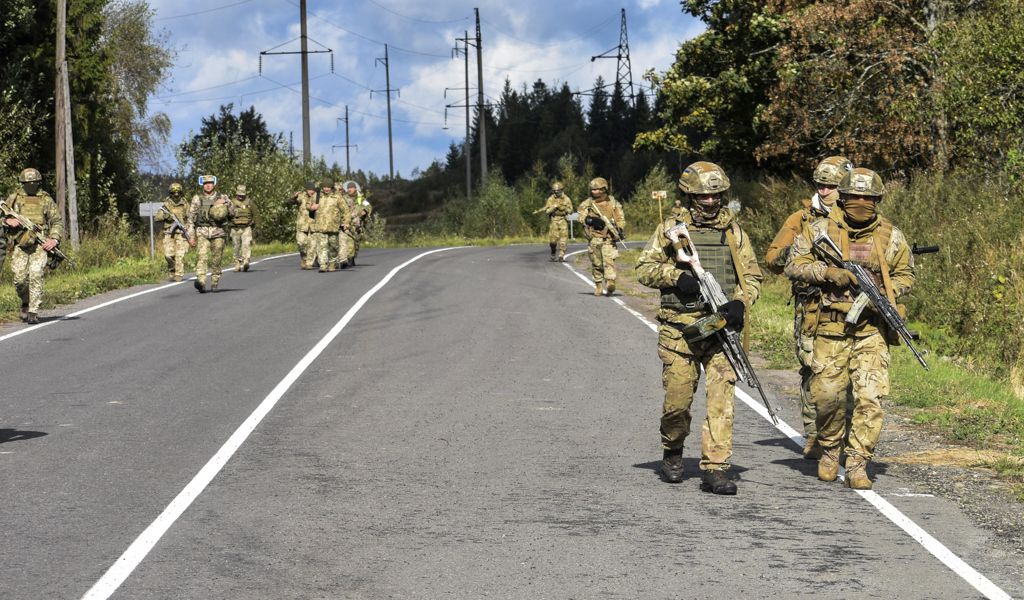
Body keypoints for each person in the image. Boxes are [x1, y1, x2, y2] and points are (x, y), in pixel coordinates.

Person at [636, 161, 763, 494]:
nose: (710, 202)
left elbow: (751, 276)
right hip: (681, 331)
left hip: (720, 330)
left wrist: (741, 301)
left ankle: (716, 468)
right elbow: (644, 267)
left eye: (716, 196)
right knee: (677, 403)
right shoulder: (670, 229)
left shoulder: (734, 233)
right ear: (689, 195)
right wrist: (675, 277)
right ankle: (673, 451)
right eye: (703, 196)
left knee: (722, 401)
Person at [785, 168, 914, 490]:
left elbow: (906, 274)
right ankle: (830, 449)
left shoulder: (891, 236)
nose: (861, 203)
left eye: (868, 198)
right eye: (854, 197)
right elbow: (793, 265)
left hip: (871, 330)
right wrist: (828, 273)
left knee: (871, 398)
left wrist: (884, 293)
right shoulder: (817, 231)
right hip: (830, 327)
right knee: (827, 396)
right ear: (841, 198)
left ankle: (858, 461)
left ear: (877, 200)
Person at [763, 156, 853, 458]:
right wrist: (804, 253)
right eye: (821, 185)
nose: (825, 191)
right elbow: (772, 258)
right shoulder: (801, 219)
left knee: (850, 371)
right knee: (813, 370)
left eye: (832, 186)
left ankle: (846, 435)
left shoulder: (858, 216)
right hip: (812, 307)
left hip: (850, 306)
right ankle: (815, 434)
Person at [2, 168, 63, 324]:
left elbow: (57, 221)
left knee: (36, 275)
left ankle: (33, 312)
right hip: (19, 244)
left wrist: (54, 240)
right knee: (19, 280)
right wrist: (8, 221)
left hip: (40, 245)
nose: (31, 186)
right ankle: (26, 302)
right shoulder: (14, 198)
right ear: (22, 183)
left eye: (34, 183)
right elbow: (2, 216)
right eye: (28, 183)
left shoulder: (46, 199)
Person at [576, 177, 625, 296]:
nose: (594, 192)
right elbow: (580, 216)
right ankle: (598, 285)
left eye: (596, 190)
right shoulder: (588, 203)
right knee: (596, 264)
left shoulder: (613, 203)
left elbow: (620, 218)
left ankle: (610, 282)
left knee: (609, 262)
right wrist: (590, 220)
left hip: (608, 238)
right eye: (592, 190)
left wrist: (619, 228)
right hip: (594, 238)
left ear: (604, 189)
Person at [186, 174, 233, 293]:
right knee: (201, 257)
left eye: (210, 183)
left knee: (216, 259)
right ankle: (201, 282)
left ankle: (215, 281)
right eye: (206, 183)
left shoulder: (223, 197)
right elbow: (191, 218)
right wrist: (191, 236)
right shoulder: (197, 198)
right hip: (202, 231)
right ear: (203, 185)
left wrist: (226, 204)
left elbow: (233, 214)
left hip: (218, 232)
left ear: (214, 184)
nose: (208, 186)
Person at [154, 182, 190, 282]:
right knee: (168, 255)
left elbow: (190, 218)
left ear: (181, 192)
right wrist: (166, 216)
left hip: (181, 234)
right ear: (170, 193)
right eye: (174, 192)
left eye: (178, 192)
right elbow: (157, 217)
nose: (176, 194)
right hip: (169, 233)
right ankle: (172, 270)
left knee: (180, 255)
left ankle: (179, 274)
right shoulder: (166, 205)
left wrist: (188, 227)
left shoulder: (185, 204)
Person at [311, 180, 345, 273]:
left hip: (333, 227)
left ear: (331, 187)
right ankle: (322, 265)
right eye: (325, 187)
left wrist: (346, 223)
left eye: (328, 187)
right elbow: (307, 205)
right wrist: (312, 207)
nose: (326, 189)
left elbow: (345, 211)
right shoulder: (317, 196)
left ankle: (332, 263)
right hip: (320, 226)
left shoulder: (337, 197)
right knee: (321, 246)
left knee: (333, 247)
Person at [538, 181, 573, 262]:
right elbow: (547, 211)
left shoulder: (567, 199)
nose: (556, 192)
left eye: (558, 190)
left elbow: (571, 210)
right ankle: (553, 252)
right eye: (554, 191)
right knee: (553, 241)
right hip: (554, 220)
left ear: (561, 190)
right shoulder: (551, 199)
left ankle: (561, 255)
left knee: (563, 239)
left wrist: (564, 208)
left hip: (563, 220)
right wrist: (553, 207)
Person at [287, 182, 317, 269]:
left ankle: (309, 263)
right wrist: (293, 197)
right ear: (306, 189)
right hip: (302, 225)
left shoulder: (317, 197)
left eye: (313, 190)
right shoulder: (301, 196)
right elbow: (290, 203)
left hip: (314, 225)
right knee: (301, 243)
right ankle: (304, 258)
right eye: (309, 189)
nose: (311, 191)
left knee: (312, 245)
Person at [341, 180, 371, 266]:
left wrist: (365, 210)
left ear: (355, 188)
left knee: (356, 243)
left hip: (357, 224)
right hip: (347, 223)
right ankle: (349, 258)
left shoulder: (360, 198)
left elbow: (368, 206)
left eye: (352, 188)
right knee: (349, 241)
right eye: (348, 188)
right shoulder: (343, 198)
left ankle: (353, 256)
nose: (350, 189)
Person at [229, 184, 256, 272]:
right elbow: (227, 215)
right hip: (235, 228)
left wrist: (257, 227)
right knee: (236, 246)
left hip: (247, 227)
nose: (240, 197)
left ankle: (246, 261)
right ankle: (237, 263)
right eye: (239, 195)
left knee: (246, 244)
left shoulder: (249, 202)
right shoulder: (231, 203)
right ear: (236, 194)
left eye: (242, 195)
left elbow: (256, 214)